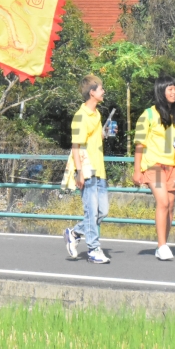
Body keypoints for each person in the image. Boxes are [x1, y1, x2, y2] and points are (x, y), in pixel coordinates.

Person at [134, 78, 175, 262]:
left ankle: (163, 243)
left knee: (171, 206)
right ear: (161, 91)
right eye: (170, 89)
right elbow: (139, 144)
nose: (174, 93)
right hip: (153, 165)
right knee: (163, 202)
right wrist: (136, 171)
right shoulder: (148, 114)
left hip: (172, 166)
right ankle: (162, 246)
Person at [64, 74, 111, 264]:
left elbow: (96, 137)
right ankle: (93, 249)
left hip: (100, 168)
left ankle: (74, 232)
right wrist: (79, 172)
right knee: (91, 211)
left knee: (102, 212)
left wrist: (104, 133)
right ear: (92, 93)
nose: (103, 91)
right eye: (101, 88)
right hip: (87, 169)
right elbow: (76, 145)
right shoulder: (80, 116)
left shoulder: (97, 114)